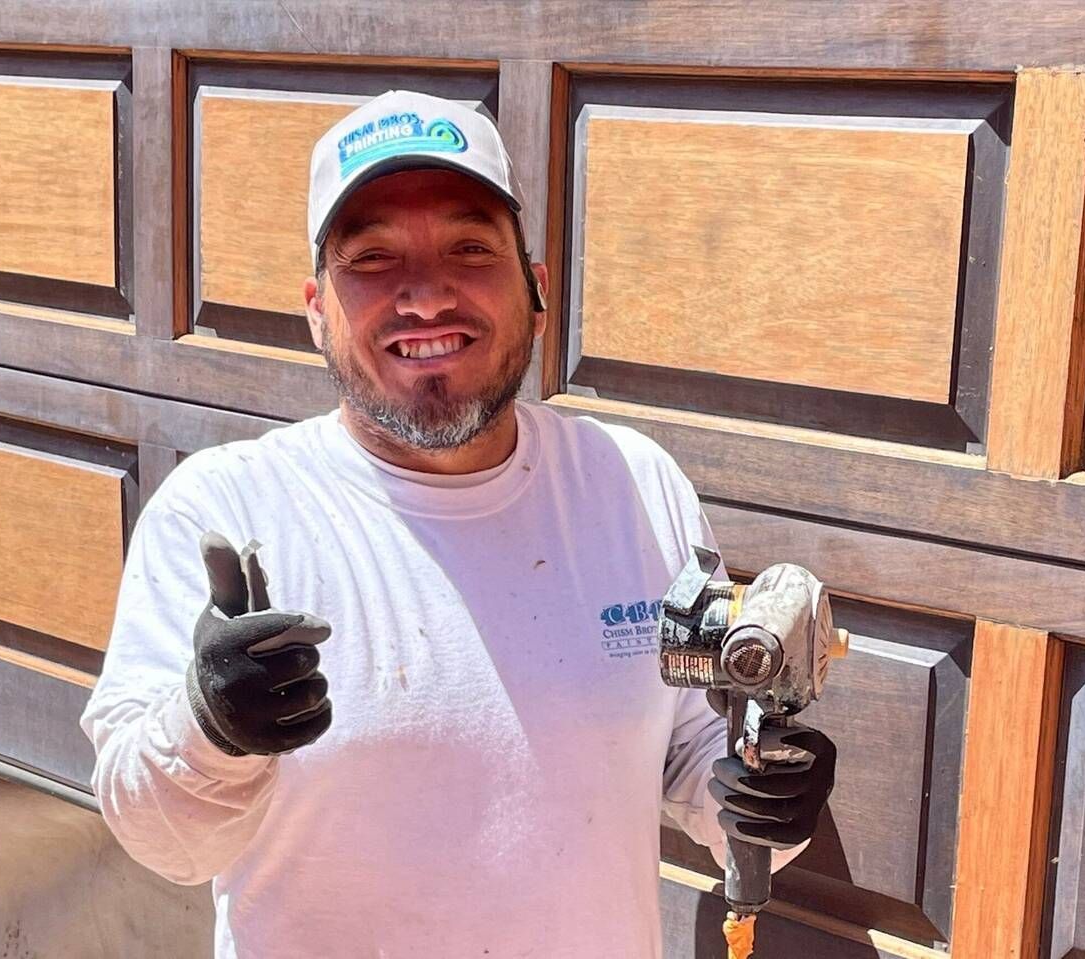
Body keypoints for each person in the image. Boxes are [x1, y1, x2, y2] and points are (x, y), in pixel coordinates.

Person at [80, 90, 836, 958]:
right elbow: (163, 841)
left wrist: (769, 792)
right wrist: (210, 728)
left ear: (537, 289)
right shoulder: (228, 513)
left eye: (470, 247)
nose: (427, 294)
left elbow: (698, 749)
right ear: (316, 310)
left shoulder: (634, 483)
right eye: (370, 258)